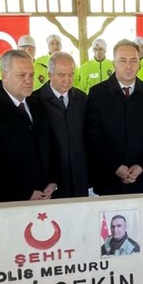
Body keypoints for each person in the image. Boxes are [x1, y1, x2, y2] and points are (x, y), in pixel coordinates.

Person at [0, 50, 58, 203]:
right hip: (9, 202)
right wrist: (24, 193)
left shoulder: (37, 104)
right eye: (21, 75)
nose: (28, 80)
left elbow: (51, 146)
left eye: (31, 75)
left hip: (44, 197)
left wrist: (53, 181)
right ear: (5, 75)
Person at [85, 39, 143, 197]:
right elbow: (93, 136)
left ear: (139, 63)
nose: (129, 66)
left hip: (141, 178)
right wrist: (114, 166)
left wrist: (142, 165)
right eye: (123, 60)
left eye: (134, 60)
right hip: (108, 178)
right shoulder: (97, 94)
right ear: (113, 63)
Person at [36, 52, 89, 199]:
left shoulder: (82, 99)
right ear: (49, 74)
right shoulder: (36, 101)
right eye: (61, 75)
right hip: (50, 183)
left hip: (79, 178)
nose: (67, 80)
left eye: (71, 75)